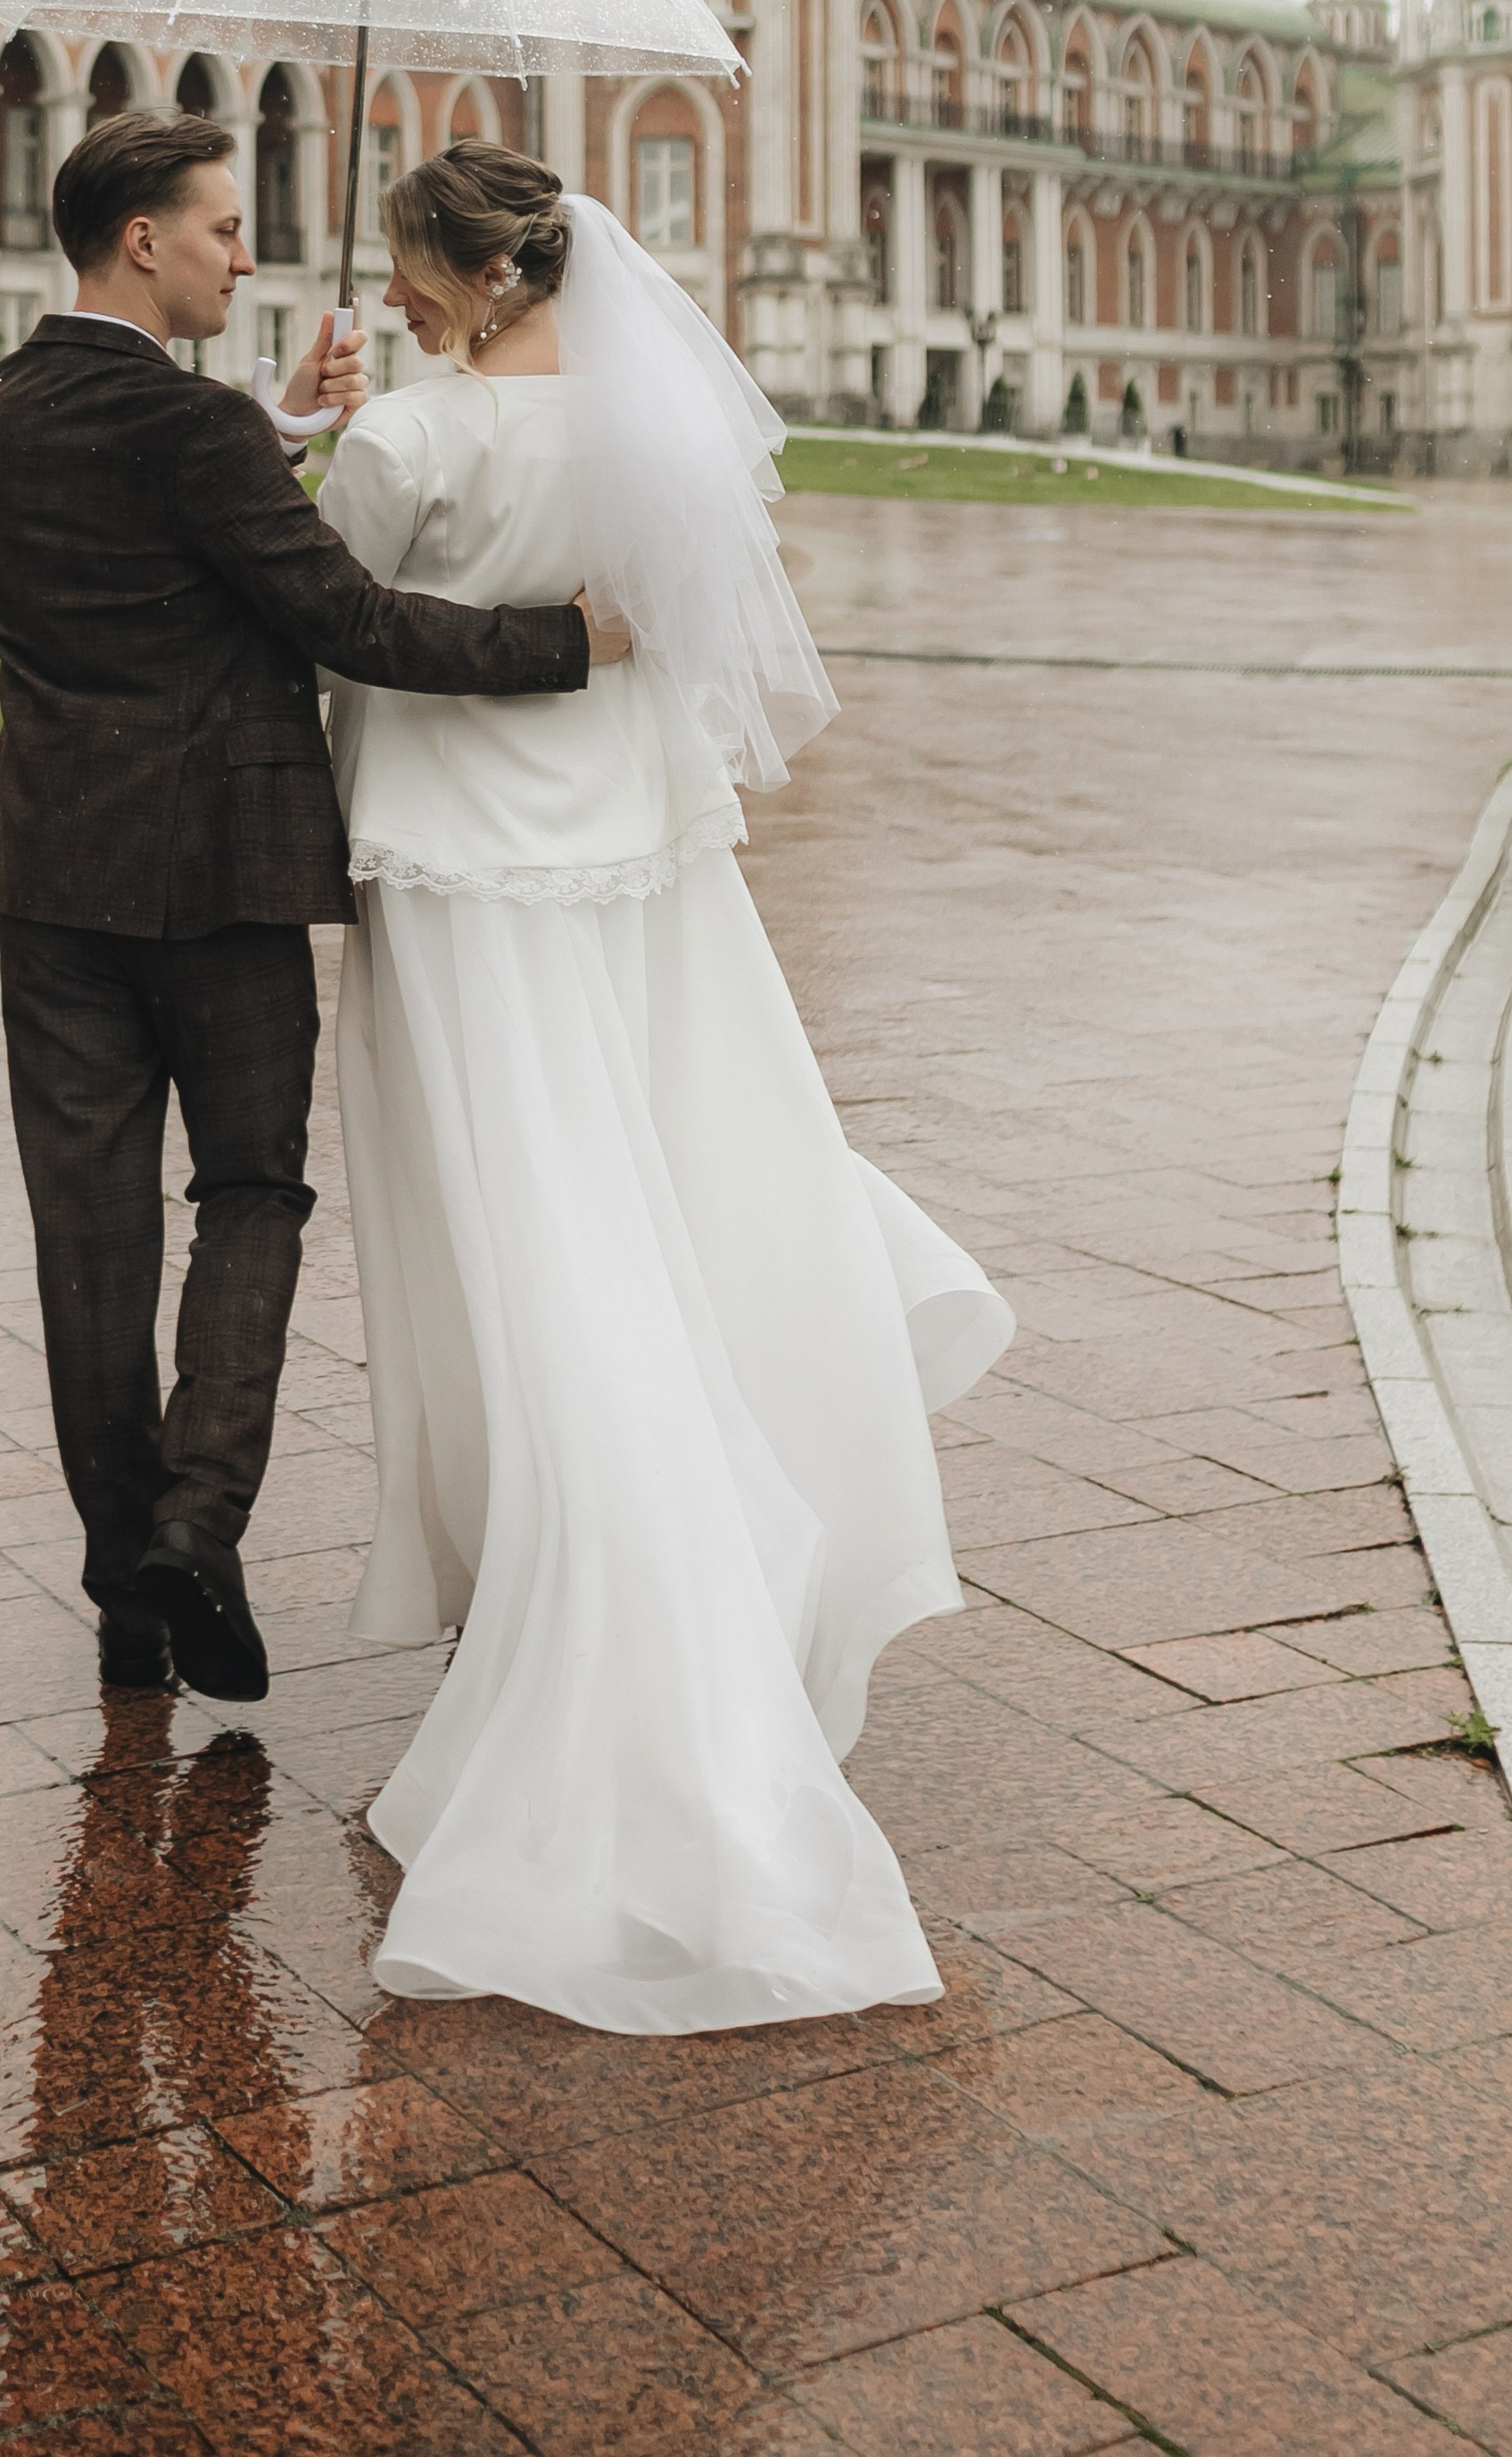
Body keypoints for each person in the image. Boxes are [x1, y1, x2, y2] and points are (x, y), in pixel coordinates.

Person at [317, 140, 1015, 2036]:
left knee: (524, 1237)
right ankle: (674, 1527)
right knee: (636, 1188)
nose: (390, 300)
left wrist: (317, 435)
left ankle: (615, 1603)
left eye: (403, 269)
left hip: (460, 890)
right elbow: (673, 648)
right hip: (633, 870)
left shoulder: (407, 439)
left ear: (471, 274)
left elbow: (325, 620)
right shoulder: (657, 437)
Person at [0, 109, 628, 1709]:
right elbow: (346, 616)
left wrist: (271, 426)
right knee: (252, 1192)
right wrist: (562, 645)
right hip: (226, 872)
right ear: (143, 242)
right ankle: (199, 1524)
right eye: (223, 229)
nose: (244, 256)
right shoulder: (200, 439)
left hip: (49, 870)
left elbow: (146, 503)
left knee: (86, 1230)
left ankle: (130, 1588)